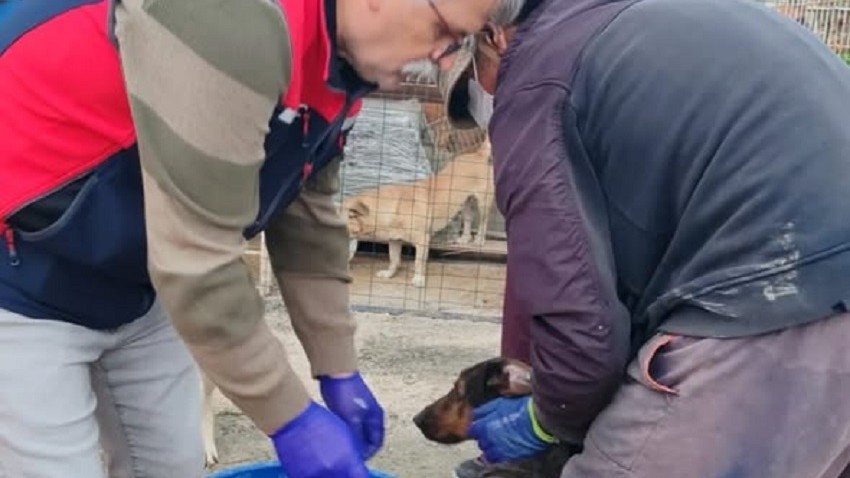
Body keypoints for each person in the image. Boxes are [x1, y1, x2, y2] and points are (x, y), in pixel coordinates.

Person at [0, 0, 501, 477]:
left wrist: (336, 365)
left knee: (171, 464)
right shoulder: (232, 21)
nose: (442, 59)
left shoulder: (343, 61)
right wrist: (290, 417)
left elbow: (306, 211)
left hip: (136, 278)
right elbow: (199, 262)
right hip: (22, 273)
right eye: (444, 33)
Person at [435, 0, 850, 477]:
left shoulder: (536, 80)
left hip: (780, 286)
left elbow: (579, 330)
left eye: (473, 92)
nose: (488, 109)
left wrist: (547, 419)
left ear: (493, 37)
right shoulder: (633, 28)